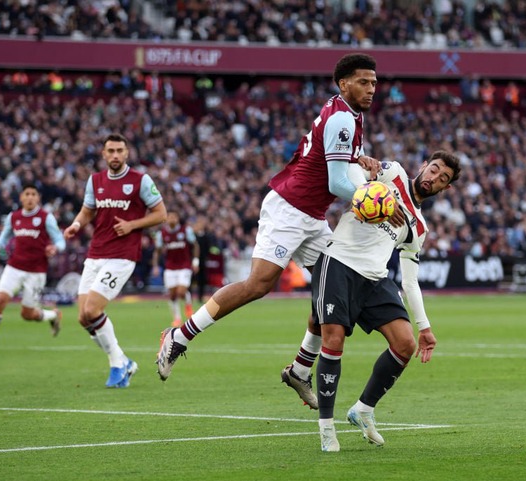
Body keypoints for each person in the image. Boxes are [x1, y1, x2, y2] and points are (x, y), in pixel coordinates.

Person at [156, 53, 404, 381]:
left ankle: (300, 371)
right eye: (363, 82)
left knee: (333, 287)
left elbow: (332, 157)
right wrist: (375, 201)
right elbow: (335, 182)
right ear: (344, 84)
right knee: (259, 284)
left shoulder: (350, 114)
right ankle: (179, 336)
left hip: (312, 215)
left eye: (374, 82)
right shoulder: (343, 118)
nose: (371, 88)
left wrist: (360, 159)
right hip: (289, 207)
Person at [309, 151, 461, 452]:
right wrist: (363, 167)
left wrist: (425, 327)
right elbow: (349, 176)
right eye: (433, 170)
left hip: (375, 279)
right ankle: (327, 428)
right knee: (334, 339)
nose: (434, 178)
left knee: (405, 344)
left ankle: (363, 409)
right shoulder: (393, 173)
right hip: (339, 262)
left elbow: (410, 280)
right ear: (423, 167)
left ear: (446, 188)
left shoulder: (419, 227)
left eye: (443, 178)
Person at [63, 133, 166, 389]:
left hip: (122, 256)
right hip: (96, 252)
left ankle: (117, 364)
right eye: (111, 151)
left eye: (120, 150)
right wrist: (76, 224)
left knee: (92, 310)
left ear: (127, 153)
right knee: (83, 318)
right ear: (104, 154)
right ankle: (123, 360)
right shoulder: (95, 180)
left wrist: (133, 224)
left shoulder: (140, 180)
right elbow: (88, 210)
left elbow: (161, 214)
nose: (116, 155)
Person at [0, 184, 66, 356]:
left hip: (36, 272)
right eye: (26, 194)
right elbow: (4, 237)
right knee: (0, 301)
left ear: (38, 198)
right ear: (21, 198)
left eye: (33, 194)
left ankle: (53, 315)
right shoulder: (14, 217)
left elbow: (60, 240)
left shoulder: (46, 217)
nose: (29, 197)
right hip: (14, 267)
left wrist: (55, 248)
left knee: (27, 314)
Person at [152, 210, 199, 327]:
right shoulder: (161, 234)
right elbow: (157, 251)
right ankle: (177, 318)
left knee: (181, 291)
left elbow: (195, 246)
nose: (172, 219)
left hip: (184, 266)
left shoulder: (186, 231)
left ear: (178, 219)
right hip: (170, 267)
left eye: (174, 217)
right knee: (172, 295)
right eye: (170, 217)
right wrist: (155, 266)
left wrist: (195, 261)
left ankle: (188, 307)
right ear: (166, 219)